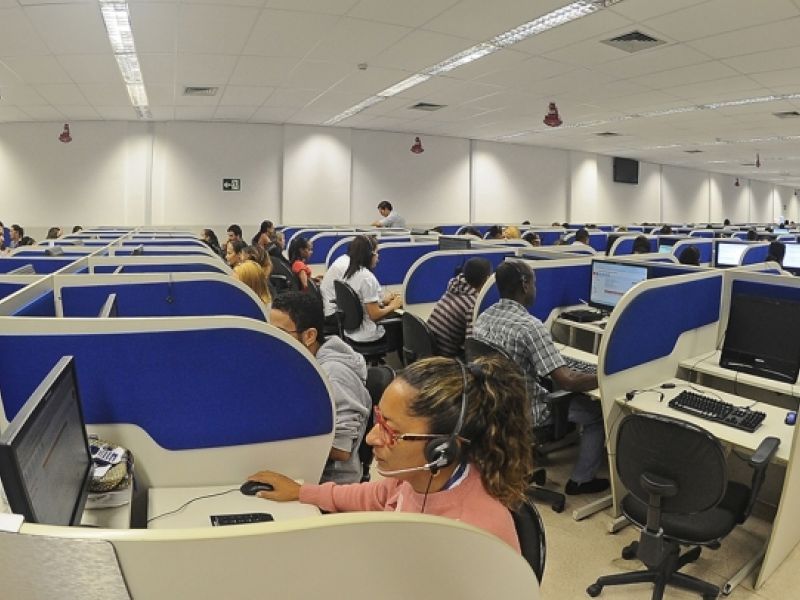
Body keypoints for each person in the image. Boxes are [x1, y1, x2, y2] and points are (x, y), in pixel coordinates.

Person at [246, 355, 534, 552]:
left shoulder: (477, 534)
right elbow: (375, 495)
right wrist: (302, 492)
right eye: (378, 419)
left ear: (443, 448)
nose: (371, 438)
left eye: (390, 430)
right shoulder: (414, 478)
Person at [473, 260, 608, 495]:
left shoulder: (484, 317)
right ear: (525, 285)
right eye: (534, 282)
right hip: (527, 412)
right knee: (596, 412)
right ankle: (581, 480)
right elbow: (568, 380)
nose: (536, 288)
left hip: (493, 405)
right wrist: (605, 374)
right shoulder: (530, 327)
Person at [271, 292, 371, 484]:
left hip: (330, 481)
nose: (272, 340)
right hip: (303, 467)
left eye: (280, 333)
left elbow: (341, 449)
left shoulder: (334, 375)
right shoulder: (298, 363)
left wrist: (281, 436)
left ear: (309, 336)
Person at [342, 235, 403, 347]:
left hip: (351, 333)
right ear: (369, 255)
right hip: (368, 335)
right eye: (376, 253)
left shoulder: (350, 273)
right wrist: (393, 306)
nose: (378, 257)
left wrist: (383, 301)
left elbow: (361, 303)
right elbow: (374, 315)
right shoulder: (367, 278)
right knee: (403, 323)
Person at [427, 258, 492, 358]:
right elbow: (471, 345)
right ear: (487, 279)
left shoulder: (455, 287)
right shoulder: (472, 304)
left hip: (431, 350)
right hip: (444, 358)